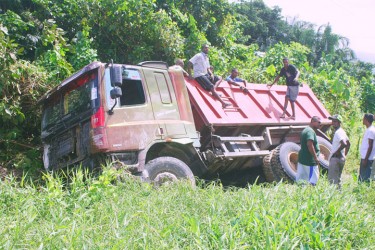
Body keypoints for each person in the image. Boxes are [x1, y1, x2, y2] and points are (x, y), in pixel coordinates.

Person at [187, 44, 230, 108]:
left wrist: (211, 74)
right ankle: (223, 103)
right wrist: (190, 75)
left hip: (205, 74)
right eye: (205, 48)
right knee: (211, 86)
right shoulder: (198, 55)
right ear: (202, 49)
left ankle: (214, 91)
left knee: (219, 78)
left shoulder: (206, 57)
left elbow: (208, 68)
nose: (207, 49)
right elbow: (189, 63)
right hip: (199, 75)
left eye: (207, 48)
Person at [296, 116, 321, 185]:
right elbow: (309, 144)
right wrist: (315, 158)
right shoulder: (310, 131)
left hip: (303, 159)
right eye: (318, 122)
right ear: (313, 121)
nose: (320, 124)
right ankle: (311, 194)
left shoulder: (306, 130)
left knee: (302, 180)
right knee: (313, 180)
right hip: (310, 161)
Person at [327, 114, 351, 187]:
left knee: (332, 181)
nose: (333, 123)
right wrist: (344, 155)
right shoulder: (342, 131)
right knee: (338, 181)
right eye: (332, 121)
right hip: (340, 158)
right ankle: (339, 196)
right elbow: (348, 143)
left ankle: (333, 197)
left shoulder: (338, 132)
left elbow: (344, 143)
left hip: (336, 159)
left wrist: (337, 152)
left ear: (339, 122)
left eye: (335, 121)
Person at [359, 113, 375, 182]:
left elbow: (370, 146)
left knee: (364, 178)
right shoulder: (370, 129)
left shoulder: (371, 130)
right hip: (366, 157)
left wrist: (366, 159)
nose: (362, 120)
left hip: (367, 158)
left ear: (366, 120)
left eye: (363, 118)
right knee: (362, 176)